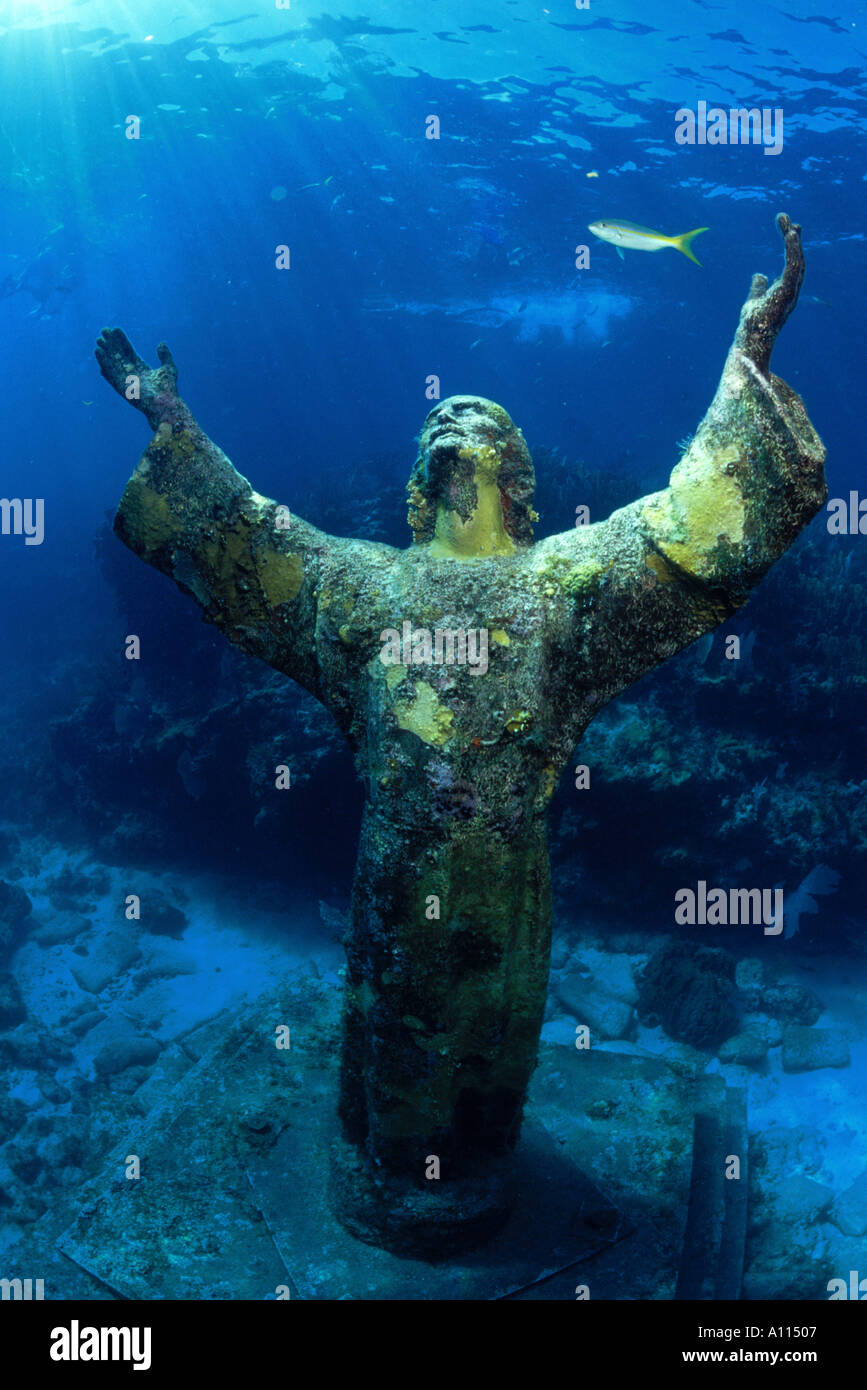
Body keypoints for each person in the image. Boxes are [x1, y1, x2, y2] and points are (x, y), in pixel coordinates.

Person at [96, 213, 825, 1256]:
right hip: (397, 872)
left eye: (485, 424)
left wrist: (746, 360)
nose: (463, 427)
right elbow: (247, 535)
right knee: (392, 1034)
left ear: (516, 475)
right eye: (448, 422)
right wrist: (169, 419)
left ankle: (470, 1193)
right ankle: (384, 1196)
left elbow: (687, 532)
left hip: (505, 882)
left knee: (488, 1049)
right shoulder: (366, 587)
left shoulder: (562, 585)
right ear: (420, 476)